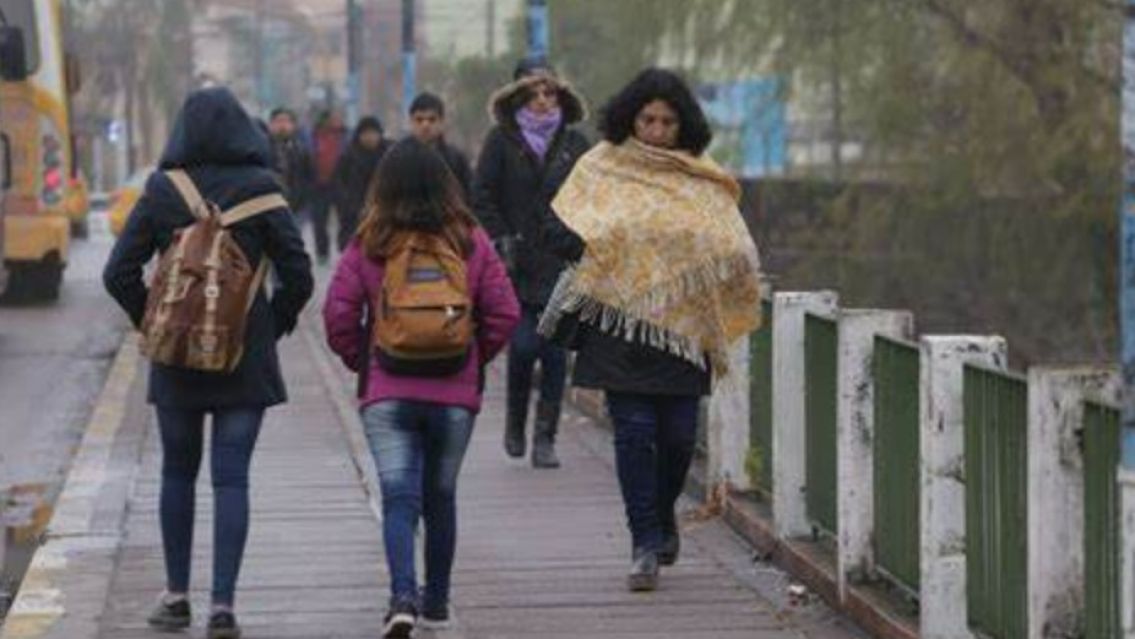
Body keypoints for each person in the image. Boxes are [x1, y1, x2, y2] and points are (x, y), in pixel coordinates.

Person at [538, 68, 762, 592]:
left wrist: (728, 263)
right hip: (619, 327)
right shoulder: (600, 168)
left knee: (680, 438)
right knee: (635, 435)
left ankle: (662, 517)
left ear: (683, 125)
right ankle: (643, 542)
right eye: (648, 119)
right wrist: (594, 252)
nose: (657, 130)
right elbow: (557, 225)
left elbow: (730, 239)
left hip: (683, 331)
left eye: (667, 121)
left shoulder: (699, 176)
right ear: (630, 119)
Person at [103, 87, 314, 638]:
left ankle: (176, 598)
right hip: (245, 358)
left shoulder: (160, 190)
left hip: (177, 359)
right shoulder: (264, 190)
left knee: (176, 471)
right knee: (231, 478)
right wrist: (270, 324)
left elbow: (117, 273)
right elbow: (300, 274)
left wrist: (153, 323)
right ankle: (223, 607)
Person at [323, 138, 520, 638]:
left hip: (387, 393)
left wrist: (363, 361)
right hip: (454, 394)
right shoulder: (469, 239)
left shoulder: (371, 240)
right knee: (441, 496)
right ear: (446, 184)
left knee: (398, 498)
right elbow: (505, 313)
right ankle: (437, 602)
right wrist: (472, 360)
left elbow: (338, 315)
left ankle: (402, 597)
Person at [472, 59, 590, 468]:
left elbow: (595, 197)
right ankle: (516, 422)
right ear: (517, 97)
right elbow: (482, 193)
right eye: (533, 94)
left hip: (562, 263)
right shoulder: (500, 141)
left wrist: (580, 240)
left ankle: (546, 437)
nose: (542, 101)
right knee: (522, 348)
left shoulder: (575, 144)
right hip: (515, 264)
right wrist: (501, 237)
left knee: (556, 355)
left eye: (550, 92)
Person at [333, 116, 391, 251]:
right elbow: (339, 184)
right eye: (365, 133)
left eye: (373, 133)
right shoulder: (347, 156)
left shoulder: (389, 155)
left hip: (384, 214)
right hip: (353, 216)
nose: (369, 137)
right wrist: (346, 206)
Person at [408, 92, 472, 202]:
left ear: (442, 122)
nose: (425, 125)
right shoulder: (399, 158)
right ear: (410, 122)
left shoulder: (456, 159)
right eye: (419, 120)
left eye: (432, 120)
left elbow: (470, 196)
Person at [310, 109, 349, 263]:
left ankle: (345, 250)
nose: (336, 122)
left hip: (341, 184)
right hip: (319, 186)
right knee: (319, 222)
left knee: (345, 219)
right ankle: (322, 253)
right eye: (333, 119)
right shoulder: (315, 136)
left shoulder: (345, 136)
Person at [267, 107, 314, 214]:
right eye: (278, 121)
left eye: (286, 121)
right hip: (271, 205)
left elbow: (308, 177)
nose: (282, 125)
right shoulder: (263, 149)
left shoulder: (301, 150)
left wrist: (304, 198)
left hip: (296, 205)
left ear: (293, 126)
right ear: (271, 125)